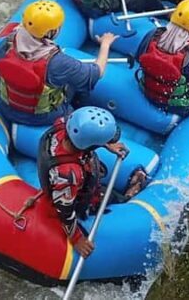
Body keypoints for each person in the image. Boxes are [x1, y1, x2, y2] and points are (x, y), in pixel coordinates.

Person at [38, 107, 146, 258]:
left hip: (76, 174)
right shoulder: (68, 176)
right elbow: (64, 210)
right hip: (77, 200)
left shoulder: (61, 127)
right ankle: (126, 196)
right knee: (113, 198)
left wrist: (106, 144)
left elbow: (81, 134)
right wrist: (77, 239)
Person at [0, 0, 118, 126]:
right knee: (81, 84)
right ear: (50, 32)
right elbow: (98, 72)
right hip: (41, 117)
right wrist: (105, 44)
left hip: (5, 107)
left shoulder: (6, 44)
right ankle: (78, 107)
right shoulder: (58, 62)